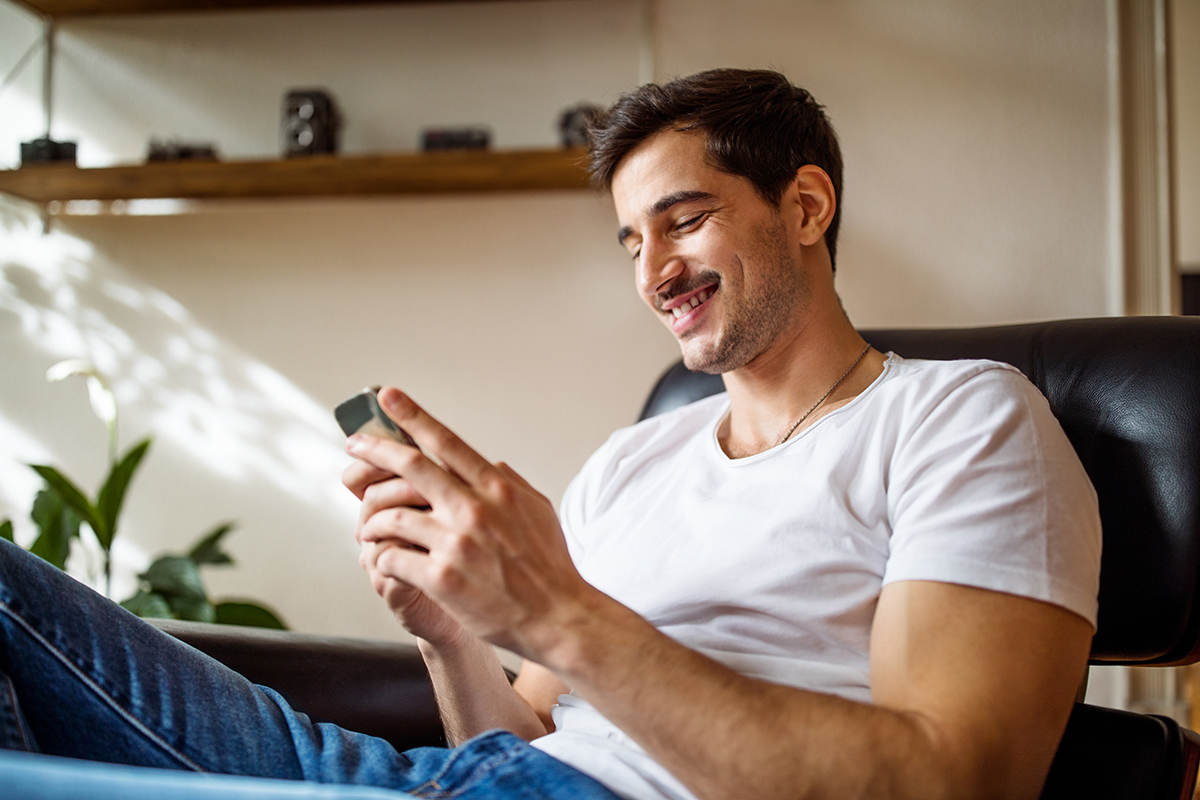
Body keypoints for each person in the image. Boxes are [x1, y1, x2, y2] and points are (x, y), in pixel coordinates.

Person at [0, 68, 1100, 800]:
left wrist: (557, 610)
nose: (654, 272)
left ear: (806, 206)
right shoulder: (640, 456)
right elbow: (522, 742)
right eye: (630, 239)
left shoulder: (959, 418)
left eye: (685, 218)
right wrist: (451, 631)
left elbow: (955, 778)